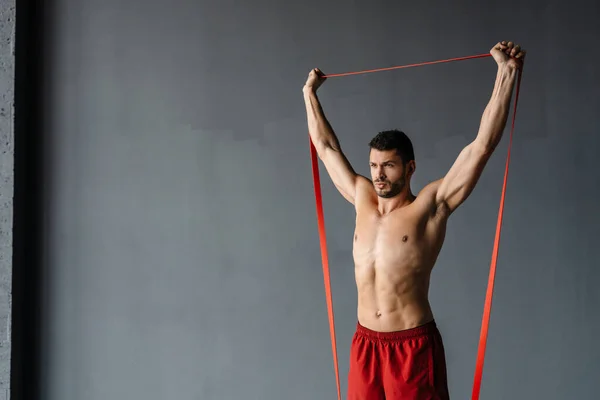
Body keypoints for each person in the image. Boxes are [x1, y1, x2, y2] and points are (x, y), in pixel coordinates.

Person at [302, 40, 526, 399]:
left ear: (410, 168)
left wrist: (507, 73)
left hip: (411, 347)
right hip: (365, 344)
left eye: (388, 166)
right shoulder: (362, 198)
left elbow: (481, 146)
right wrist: (309, 94)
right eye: (374, 165)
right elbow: (326, 148)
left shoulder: (431, 206)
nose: (379, 175)